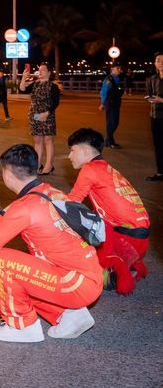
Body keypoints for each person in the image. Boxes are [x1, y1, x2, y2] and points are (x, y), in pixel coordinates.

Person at [0, 144, 102, 343]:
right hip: (88, 276)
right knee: (23, 275)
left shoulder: (24, 207)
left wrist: (4, 212)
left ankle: (21, 327)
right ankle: (70, 314)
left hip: (75, 284)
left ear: (8, 174)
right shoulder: (51, 190)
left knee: (2, 261)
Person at [66, 128, 150, 295]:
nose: (69, 156)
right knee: (92, 217)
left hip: (127, 239)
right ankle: (127, 264)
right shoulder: (106, 167)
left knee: (67, 224)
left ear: (85, 151)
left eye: (72, 150)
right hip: (141, 238)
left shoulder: (89, 169)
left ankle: (113, 267)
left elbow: (71, 203)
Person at [20, 62, 60, 175]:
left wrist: (46, 113)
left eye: (43, 70)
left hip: (47, 116)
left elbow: (55, 102)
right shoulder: (35, 84)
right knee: (37, 141)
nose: (40, 72)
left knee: (48, 140)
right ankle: (37, 165)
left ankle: (48, 165)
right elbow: (22, 88)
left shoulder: (53, 86)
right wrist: (24, 77)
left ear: (49, 73)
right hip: (34, 115)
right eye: (39, 70)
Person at [99, 62, 124, 149]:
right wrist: (102, 103)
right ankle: (110, 142)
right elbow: (103, 92)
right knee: (112, 123)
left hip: (116, 103)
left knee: (115, 122)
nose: (120, 70)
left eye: (120, 68)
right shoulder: (109, 79)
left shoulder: (116, 79)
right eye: (118, 69)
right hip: (110, 103)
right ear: (112, 69)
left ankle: (107, 140)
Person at [147, 52, 163, 181]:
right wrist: (151, 99)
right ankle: (160, 172)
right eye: (158, 60)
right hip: (154, 115)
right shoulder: (152, 79)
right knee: (158, 145)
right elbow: (150, 95)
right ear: (155, 63)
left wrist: (161, 100)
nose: (161, 62)